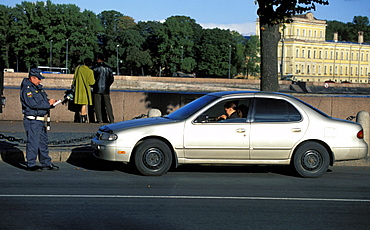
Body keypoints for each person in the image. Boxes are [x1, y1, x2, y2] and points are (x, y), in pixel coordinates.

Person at [20, 68, 59, 171]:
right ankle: (31, 164)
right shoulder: (28, 89)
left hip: (39, 119)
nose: (40, 81)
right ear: (32, 78)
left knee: (42, 142)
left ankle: (45, 162)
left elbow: (41, 101)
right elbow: (33, 104)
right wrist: (47, 104)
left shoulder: (36, 88)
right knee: (33, 142)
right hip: (33, 120)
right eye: (38, 79)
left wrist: (49, 102)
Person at [92, 54, 114, 123]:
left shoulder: (94, 68)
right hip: (106, 89)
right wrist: (107, 85)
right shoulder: (109, 68)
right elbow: (111, 79)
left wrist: (94, 85)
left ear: (98, 59)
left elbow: (91, 79)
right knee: (108, 105)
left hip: (97, 88)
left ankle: (99, 119)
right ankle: (111, 119)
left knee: (97, 105)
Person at [72, 58, 95, 123]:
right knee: (84, 104)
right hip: (85, 90)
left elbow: (74, 79)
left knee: (81, 104)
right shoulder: (90, 71)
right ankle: (83, 118)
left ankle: (82, 117)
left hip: (78, 89)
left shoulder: (78, 68)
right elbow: (92, 82)